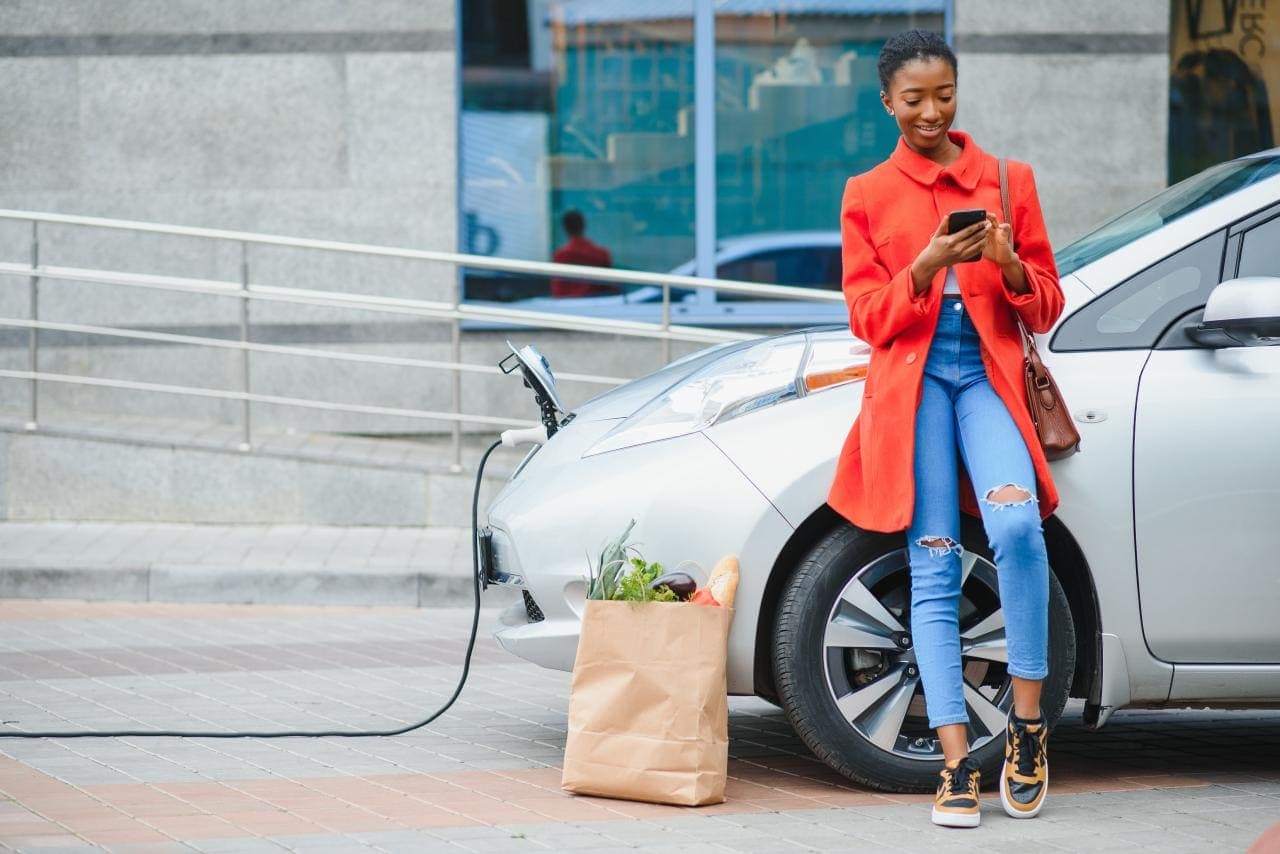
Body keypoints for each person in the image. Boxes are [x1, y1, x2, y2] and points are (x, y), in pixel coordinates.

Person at [824, 29, 1065, 828]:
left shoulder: (1007, 179)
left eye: (945, 94)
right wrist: (925, 266)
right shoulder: (866, 192)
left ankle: (1027, 731)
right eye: (914, 98)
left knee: (1017, 529)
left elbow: (1046, 305)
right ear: (888, 102)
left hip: (985, 381)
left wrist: (1004, 262)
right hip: (915, 387)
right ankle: (958, 766)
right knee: (931, 561)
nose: (932, 111)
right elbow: (867, 319)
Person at [550, 210, 619, 297]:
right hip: (598, 303)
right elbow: (612, 288)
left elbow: (558, 291)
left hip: (570, 305)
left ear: (565, 228)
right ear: (584, 225)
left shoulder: (561, 256)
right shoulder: (601, 254)